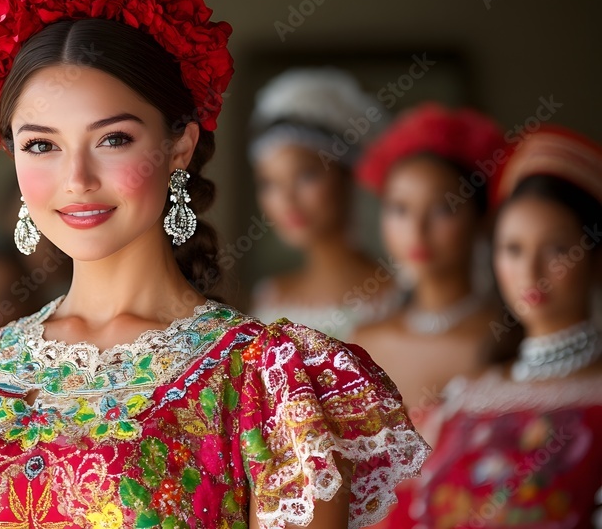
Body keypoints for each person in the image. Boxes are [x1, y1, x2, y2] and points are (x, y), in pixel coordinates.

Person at [0, 0, 429, 527]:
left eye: (112, 138)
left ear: (180, 147)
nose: (77, 179)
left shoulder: (265, 384)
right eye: (41, 145)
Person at [386, 125, 602, 528]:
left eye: (556, 249)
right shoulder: (464, 400)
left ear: (595, 258)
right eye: (513, 249)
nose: (530, 271)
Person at [352, 103, 507, 417]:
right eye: (400, 209)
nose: (417, 230)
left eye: (442, 209)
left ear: (481, 219)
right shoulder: (362, 343)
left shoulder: (506, 340)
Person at [247, 68, 401, 341]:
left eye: (306, 175)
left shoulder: (396, 295)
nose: (286, 199)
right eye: (269, 183)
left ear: (348, 175)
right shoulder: (269, 296)